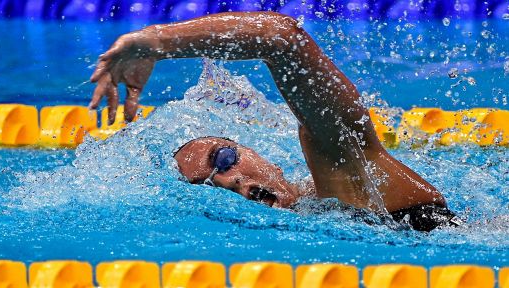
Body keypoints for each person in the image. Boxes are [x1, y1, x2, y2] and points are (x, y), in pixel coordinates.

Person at [89, 11, 462, 231]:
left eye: (222, 159)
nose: (226, 179)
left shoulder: (346, 172)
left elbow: (283, 39)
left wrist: (155, 41)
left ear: (259, 154)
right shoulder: (306, 218)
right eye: (208, 185)